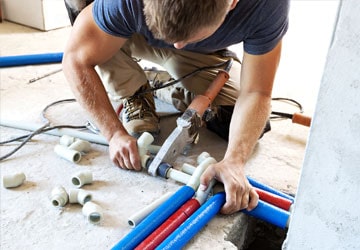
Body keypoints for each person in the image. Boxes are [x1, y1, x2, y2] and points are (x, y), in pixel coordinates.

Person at [62, 0, 290, 214]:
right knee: (88, 29)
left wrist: (235, 161)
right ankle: (133, 89)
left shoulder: (267, 5)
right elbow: (75, 59)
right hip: (127, 31)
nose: (176, 45)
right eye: (174, 39)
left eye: (183, 39)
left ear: (232, 3)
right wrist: (113, 134)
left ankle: (162, 83)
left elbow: (256, 92)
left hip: (198, 50)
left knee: (237, 122)